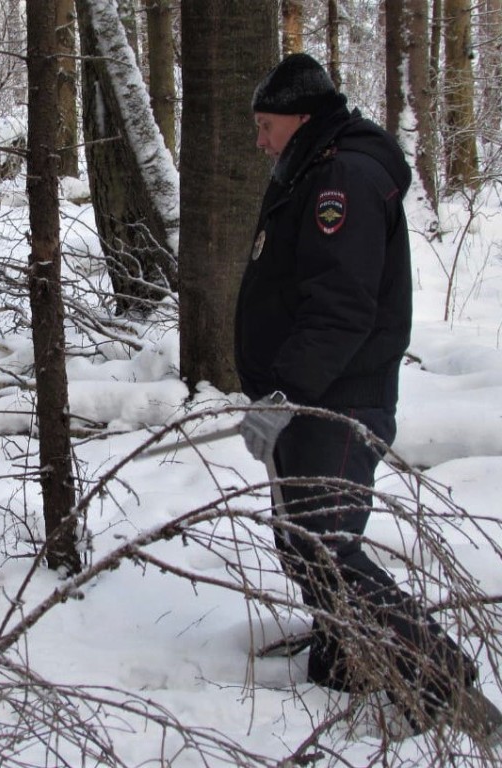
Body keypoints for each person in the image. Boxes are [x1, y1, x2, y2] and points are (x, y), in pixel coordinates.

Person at [235, 53, 501, 743]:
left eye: (266, 125)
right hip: (308, 395)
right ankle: (345, 653)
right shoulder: (313, 167)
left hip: (336, 399)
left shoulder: (342, 179)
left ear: (301, 117)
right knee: (303, 539)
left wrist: (287, 393)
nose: (260, 140)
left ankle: (441, 677)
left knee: (326, 542)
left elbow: (342, 307)